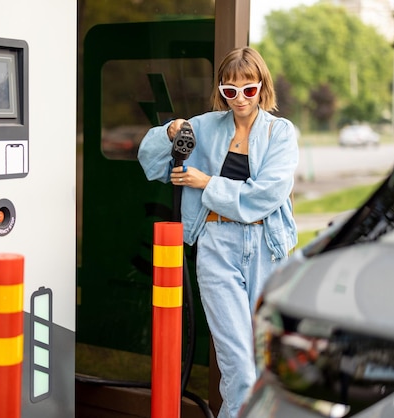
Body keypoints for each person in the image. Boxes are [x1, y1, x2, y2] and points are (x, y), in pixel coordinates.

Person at [137, 47, 298, 418]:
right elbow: (151, 161)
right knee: (239, 369)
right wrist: (169, 131)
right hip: (217, 248)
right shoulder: (207, 126)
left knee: (266, 365)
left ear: (262, 87)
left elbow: (268, 194)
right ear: (222, 90)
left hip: (266, 248)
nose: (240, 99)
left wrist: (206, 182)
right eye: (230, 90)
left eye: (248, 89)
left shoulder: (280, 132)